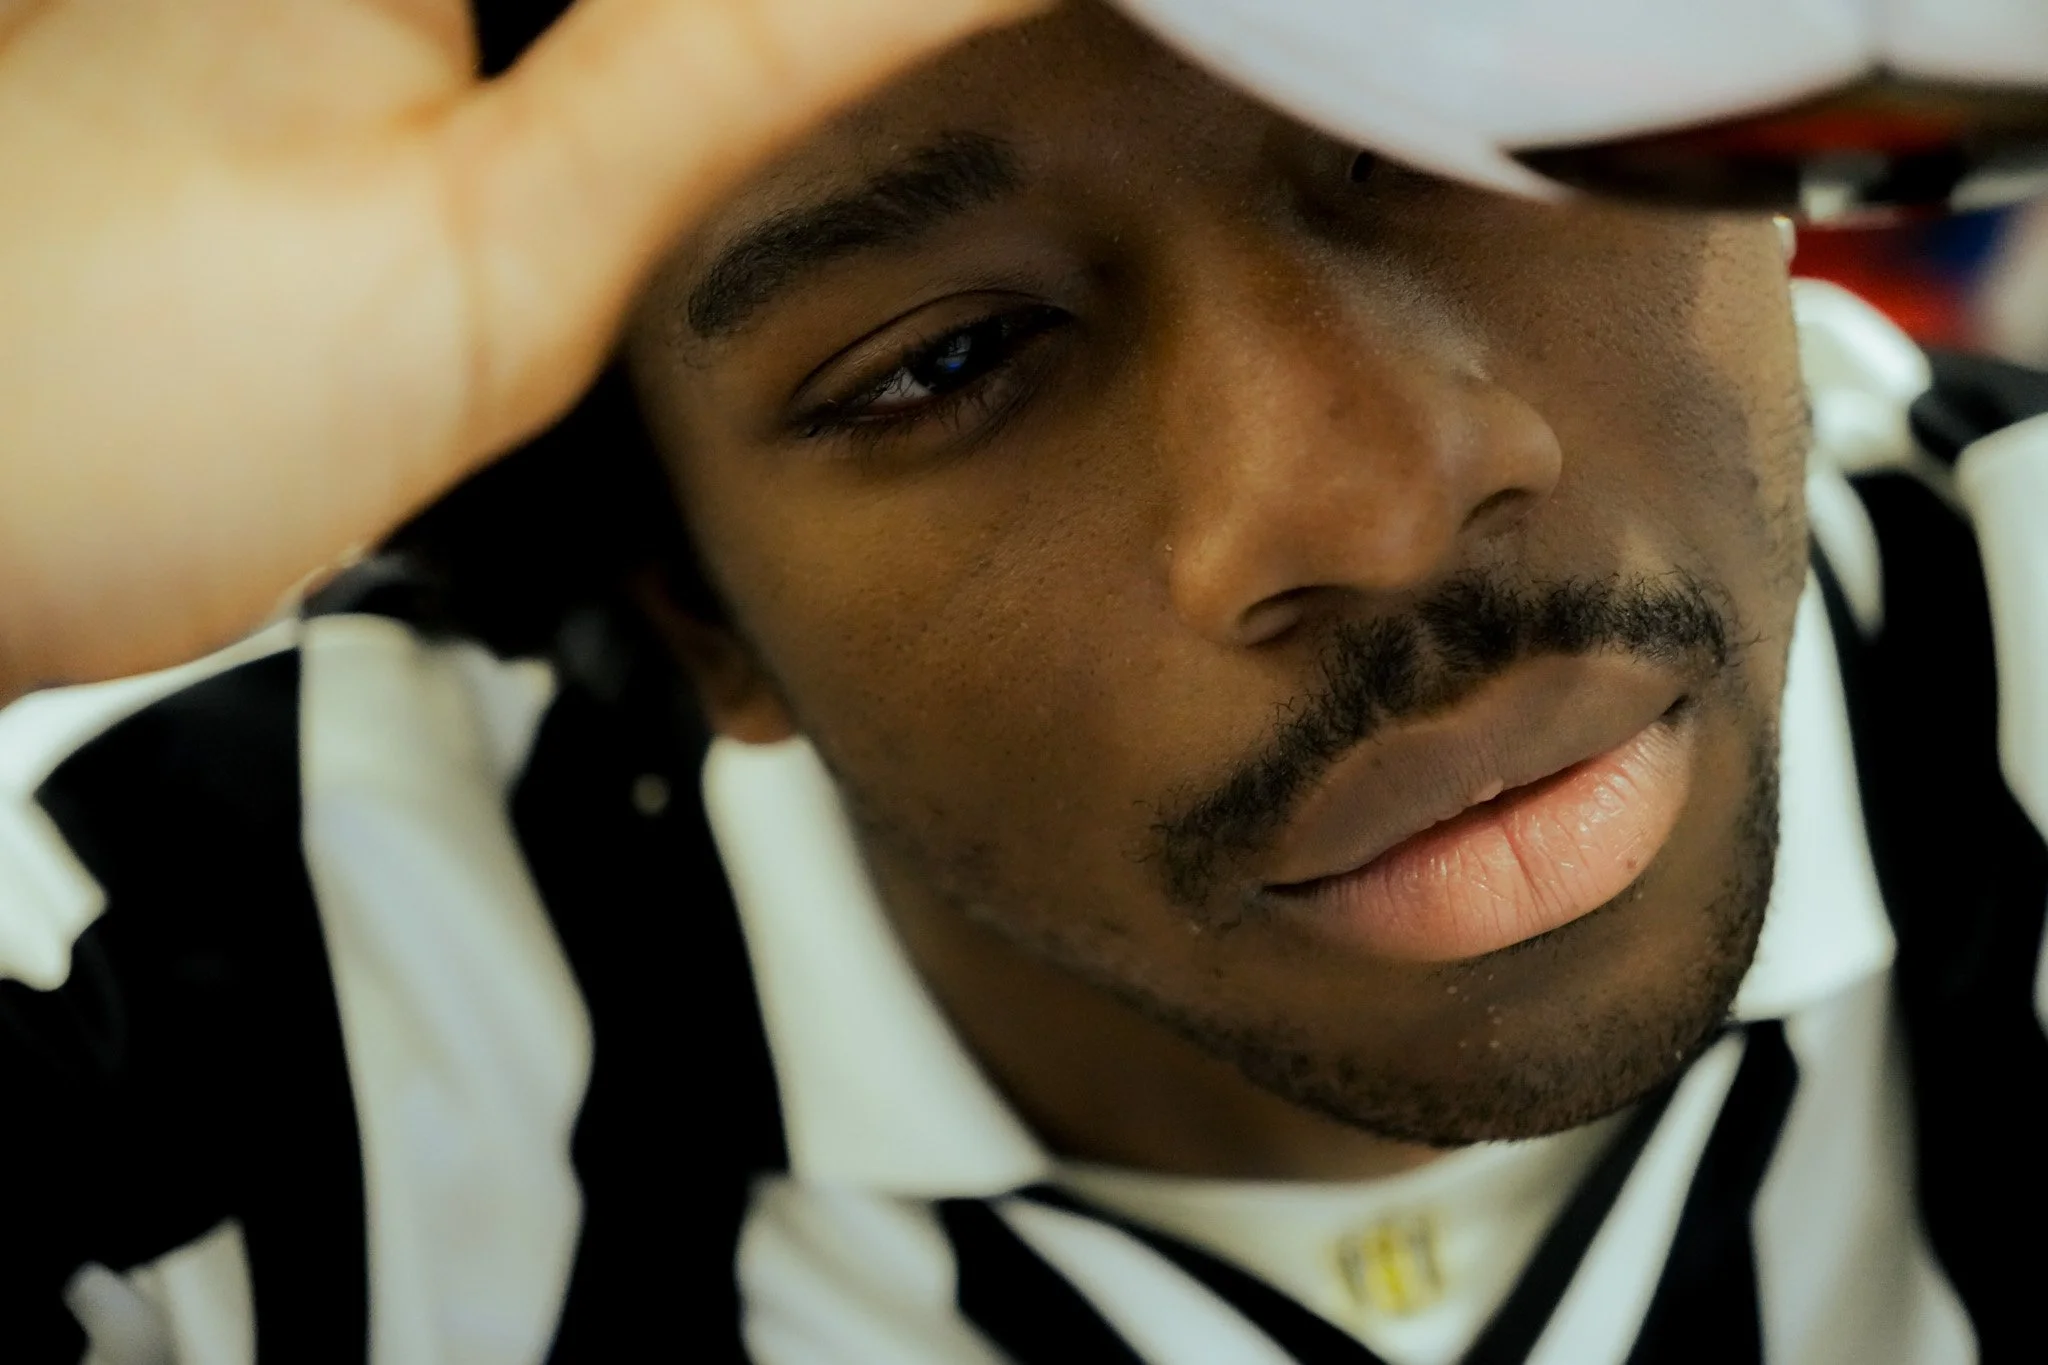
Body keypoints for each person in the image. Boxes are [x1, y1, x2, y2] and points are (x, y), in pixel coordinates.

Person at [3, 2, 2048, 1363]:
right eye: (950, 359)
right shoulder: (186, 1011)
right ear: (689, 599)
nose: (1379, 502)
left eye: (1456, 141)